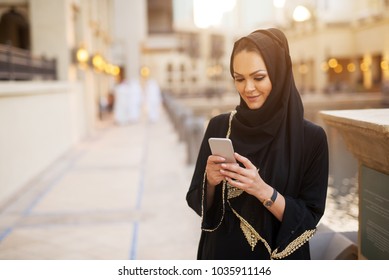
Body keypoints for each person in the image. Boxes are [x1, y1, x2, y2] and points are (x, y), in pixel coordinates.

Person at [186, 28, 329, 260]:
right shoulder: (220, 127)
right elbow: (196, 200)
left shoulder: (311, 138)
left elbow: (310, 216)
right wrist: (210, 182)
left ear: (279, 73)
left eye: (258, 77)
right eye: (239, 79)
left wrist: (262, 190)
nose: (248, 88)